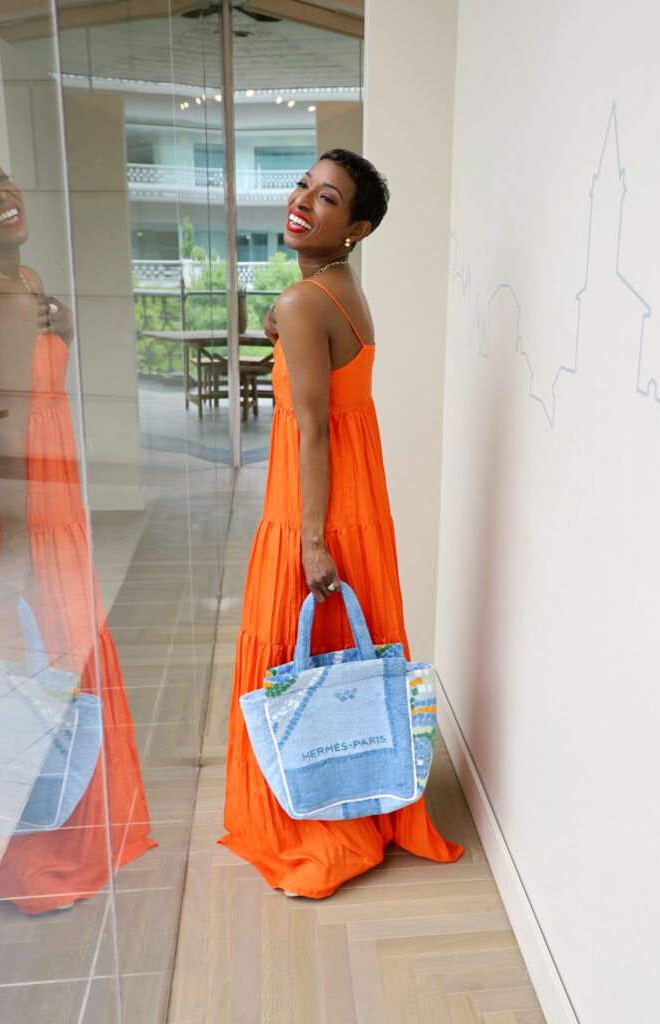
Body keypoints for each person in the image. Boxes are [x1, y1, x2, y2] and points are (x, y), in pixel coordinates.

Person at [220, 149, 462, 897]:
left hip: (314, 501)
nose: (303, 202)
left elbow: (313, 432)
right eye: (303, 186)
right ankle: (360, 797)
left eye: (327, 200)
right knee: (344, 657)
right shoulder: (337, 288)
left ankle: (317, 824)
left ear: (354, 227)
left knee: (298, 651)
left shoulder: (304, 302)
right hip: (359, 492)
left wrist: (313, 540)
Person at [0, 153, 155, 913]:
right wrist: (16, 553)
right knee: (47, 665)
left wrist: (64, 321)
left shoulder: (24, 287)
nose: (0, 196)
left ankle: (42, 835)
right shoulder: (3, 296)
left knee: (47, 664)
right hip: (33, 509)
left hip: (49, 501)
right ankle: (45, 852)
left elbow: (32, 384)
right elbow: (10, 435)